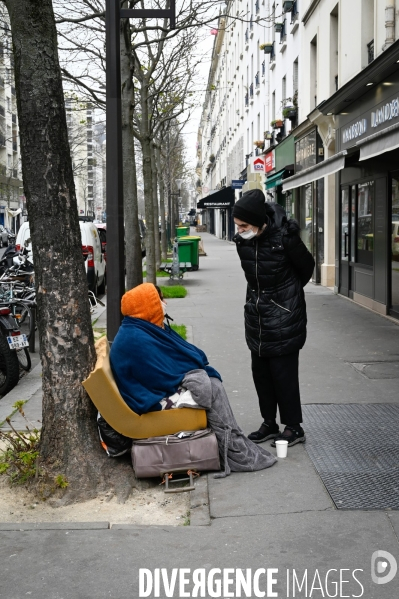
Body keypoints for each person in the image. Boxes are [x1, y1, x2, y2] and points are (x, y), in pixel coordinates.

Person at [109, 282, 277, 477]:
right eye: (159, 300)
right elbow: (159, 373)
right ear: (148, 305)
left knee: (210, 384)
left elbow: (164, 365)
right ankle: (234, 452)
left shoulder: (139, 329)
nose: (164, 303)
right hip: (148, 402)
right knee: (210, 389)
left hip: (148, 393)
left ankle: (232, 446)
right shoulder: (136, 338)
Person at [232, 189, 315, 447]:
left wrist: (285, 297)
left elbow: (306, 268)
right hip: (256, 315)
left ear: (258, 221)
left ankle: (293, 427)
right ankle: (269, 422)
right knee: (262, 374)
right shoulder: (243, 242)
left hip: (284, 316)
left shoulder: (285, 238)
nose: (240, 230)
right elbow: (252, 278)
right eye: (237, 225)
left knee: (284, 374)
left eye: (244, 225)